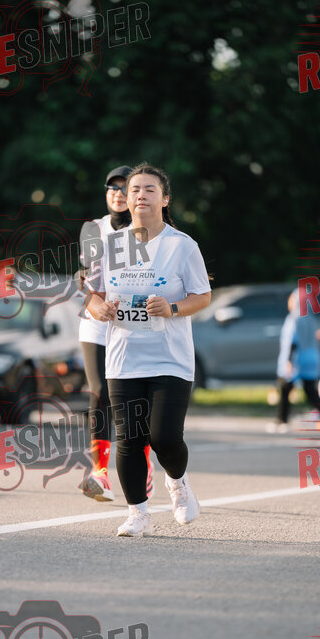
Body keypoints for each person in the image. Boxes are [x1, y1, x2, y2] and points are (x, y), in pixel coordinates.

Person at [85, 163, 211, 536]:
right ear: (127, 200)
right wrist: (100, 309)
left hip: (170, 358)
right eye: (135, 190)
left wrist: (172, 308)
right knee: (129, 439)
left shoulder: (182, 245)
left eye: (149, 189)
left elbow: (202, 296)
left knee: (165, 438)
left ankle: (178, 483)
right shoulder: (111, 246)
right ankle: (138, 513)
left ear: (165, 199)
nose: (140, 195)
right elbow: (92, 295)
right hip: (124, 358)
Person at [77, 165, 154, 502]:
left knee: (135, 399)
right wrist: (95, 302)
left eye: (125, 188)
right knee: (99, 393)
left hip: (132, 323)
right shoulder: (94, 229)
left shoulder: (148, 230)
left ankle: (144, 466)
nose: (118, 194)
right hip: (96, 322)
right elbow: (85, 276)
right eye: (112, 188)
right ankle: (100, 473)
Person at [268, 288, 320, 432]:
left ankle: (282, 420)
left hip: (296, 359)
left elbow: (292, 341)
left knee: (285, 389)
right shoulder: (310, 318)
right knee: (310, 391)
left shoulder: (293, 318)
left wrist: (288, 361)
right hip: (311, 358)